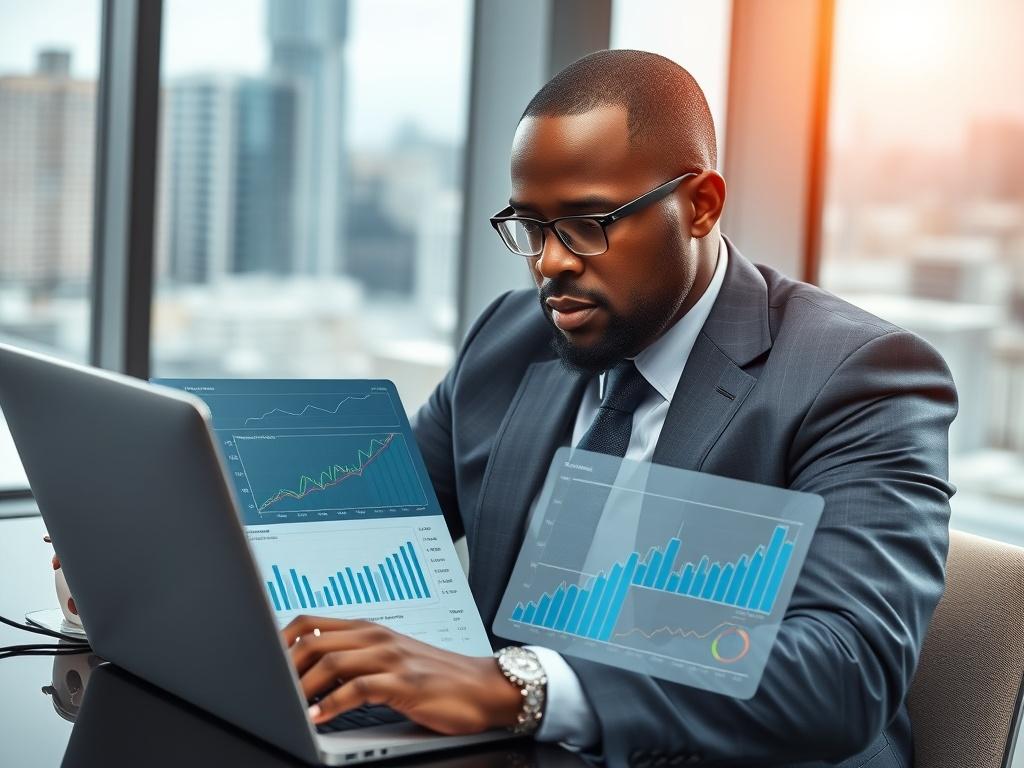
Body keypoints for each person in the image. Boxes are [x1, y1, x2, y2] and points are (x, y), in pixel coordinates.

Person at [55, 50, 959, 767]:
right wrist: (156, 569)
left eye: (588, 223)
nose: (549, 263)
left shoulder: (858, 376)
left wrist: (516, 688)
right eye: (530, 225)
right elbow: (374, 522)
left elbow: (847, 673)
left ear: (700, 205)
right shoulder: (514, 339)